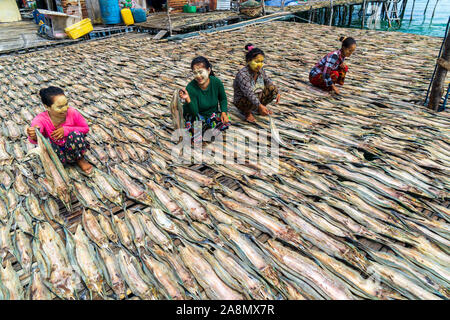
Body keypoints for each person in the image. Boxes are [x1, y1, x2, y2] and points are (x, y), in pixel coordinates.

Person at [27, 86, 93, 174]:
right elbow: (34, 140)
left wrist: (66, 130)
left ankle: (79, 159)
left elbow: (85, 129)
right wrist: (34, 135)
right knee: (45, 141)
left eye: (66, 104)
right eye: (60, 107)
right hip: (57, 151)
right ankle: (61, 162)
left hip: (74, 147)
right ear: (47, 107)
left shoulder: (72, 113)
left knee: (76, 134)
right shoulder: (40, 120)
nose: (65, 109)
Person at [179, 56, 230, 143]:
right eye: (195, 73)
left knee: (226, 121)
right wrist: (188, 99)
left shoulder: (216, 82)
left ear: (208, 70)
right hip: (196, 116)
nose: (198, 76)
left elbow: (223, 99)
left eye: (200, 72)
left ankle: (207, 129)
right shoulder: (191, 87)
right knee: (196, 138)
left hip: (211, 114)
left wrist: (224, 112)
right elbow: (194, 112)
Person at [233, 43, 281, 123]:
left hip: (257, 95)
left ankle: (261, 108)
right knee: (249, 96)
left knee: (272, 89)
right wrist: (259, 105)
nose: (260, 64)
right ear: (248, 61)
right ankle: (247, 112)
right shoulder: (243, 74)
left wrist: (277, 92)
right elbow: (249, 93)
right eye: (257, 61)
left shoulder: (260, 70)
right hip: (243, 100)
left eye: (261, 61)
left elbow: (268, 81)